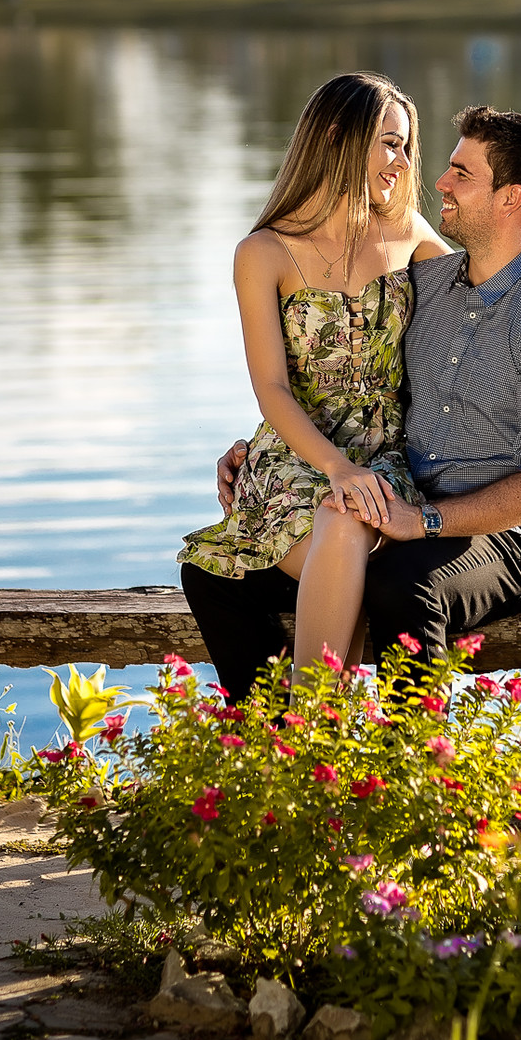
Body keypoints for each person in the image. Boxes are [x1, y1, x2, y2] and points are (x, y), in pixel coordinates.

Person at [182, 100, 521, 698]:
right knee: (214, 576)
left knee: (398, 583)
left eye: (460, 173)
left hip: (510, 533)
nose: (434, 179)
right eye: (396, 146)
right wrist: (261, 455)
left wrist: (424, 521)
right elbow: (337, 372)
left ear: (511, 198)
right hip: (400, 501)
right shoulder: (426, 282)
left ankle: (392, 751)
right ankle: (270, 745)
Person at [177, 71, 446, 684]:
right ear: (334, 137)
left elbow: (484, 301)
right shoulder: (263, 252)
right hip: (296, 459)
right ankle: (319, 727)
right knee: (344, 517)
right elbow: (270, 387)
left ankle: (310, 730)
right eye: (389, 144)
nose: (403, 163)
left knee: (348, 518)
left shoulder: (409, 234)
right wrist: (338, 467)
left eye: (406, 147)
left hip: (388, 459)